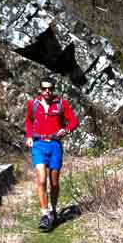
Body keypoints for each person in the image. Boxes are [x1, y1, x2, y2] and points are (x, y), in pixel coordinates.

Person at [25, 77, 78, 231]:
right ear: (40, 90)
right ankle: (44, 214)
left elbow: (74, 121)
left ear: (53, 89)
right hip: (39, 144)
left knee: (53, 182)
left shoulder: (61, 104)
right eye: (44, 88)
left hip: (55, 145)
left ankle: (54, 211)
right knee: (41, 180)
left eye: (50, 89)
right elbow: (28, 121)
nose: (47, 91)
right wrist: (29, 136)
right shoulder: (33, 104)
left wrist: (66, 130)